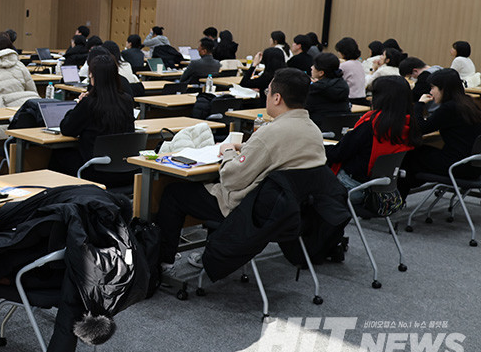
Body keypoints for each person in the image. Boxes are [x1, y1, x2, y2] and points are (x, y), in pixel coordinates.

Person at [155, 69, 327, 268]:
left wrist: (228, 152)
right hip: (291, 211)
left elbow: (231, 179)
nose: (267, 97)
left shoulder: (269, 133)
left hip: (249, 210)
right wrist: (246, 148)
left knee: (173, 193)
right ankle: (213, 252)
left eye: (267, 92)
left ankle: (163, 263)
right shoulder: (314, 130)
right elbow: (285, 156)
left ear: (277, 98)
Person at [326, 76, 421, 205]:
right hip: (386, 190)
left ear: (381, 97)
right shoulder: (409, 124)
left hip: (355, 188)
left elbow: (337, 154)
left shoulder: (371, 126)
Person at [399, 69, 481, 197]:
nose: (431, 92)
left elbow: (421, 128)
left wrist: (419, 104)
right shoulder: (469, 102)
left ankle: (398, 197)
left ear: (444, 89)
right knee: (420, 153)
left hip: (457, 166)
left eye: (433, 88)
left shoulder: (449, 108)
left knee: (410, 153)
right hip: (473, 166)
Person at [59, 54, 136, 182]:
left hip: (95, 171)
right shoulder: (127, 100)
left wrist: (78, 106)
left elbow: (66, 128)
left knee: (59, 154)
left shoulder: (89, 103)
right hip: (126, 170)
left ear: (93, 76)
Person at [305, 53, 350, 121]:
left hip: (317, 127)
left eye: (314, 66)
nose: (311, 67)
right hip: (340, 126)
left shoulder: (315, 89)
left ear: (321, 73)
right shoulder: (343, 85)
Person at [334, 37, 366, 103]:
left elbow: (333, 81)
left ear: (343, 52)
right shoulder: (359, 63)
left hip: (350, 100)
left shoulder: (344, 66)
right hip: (362, 98)